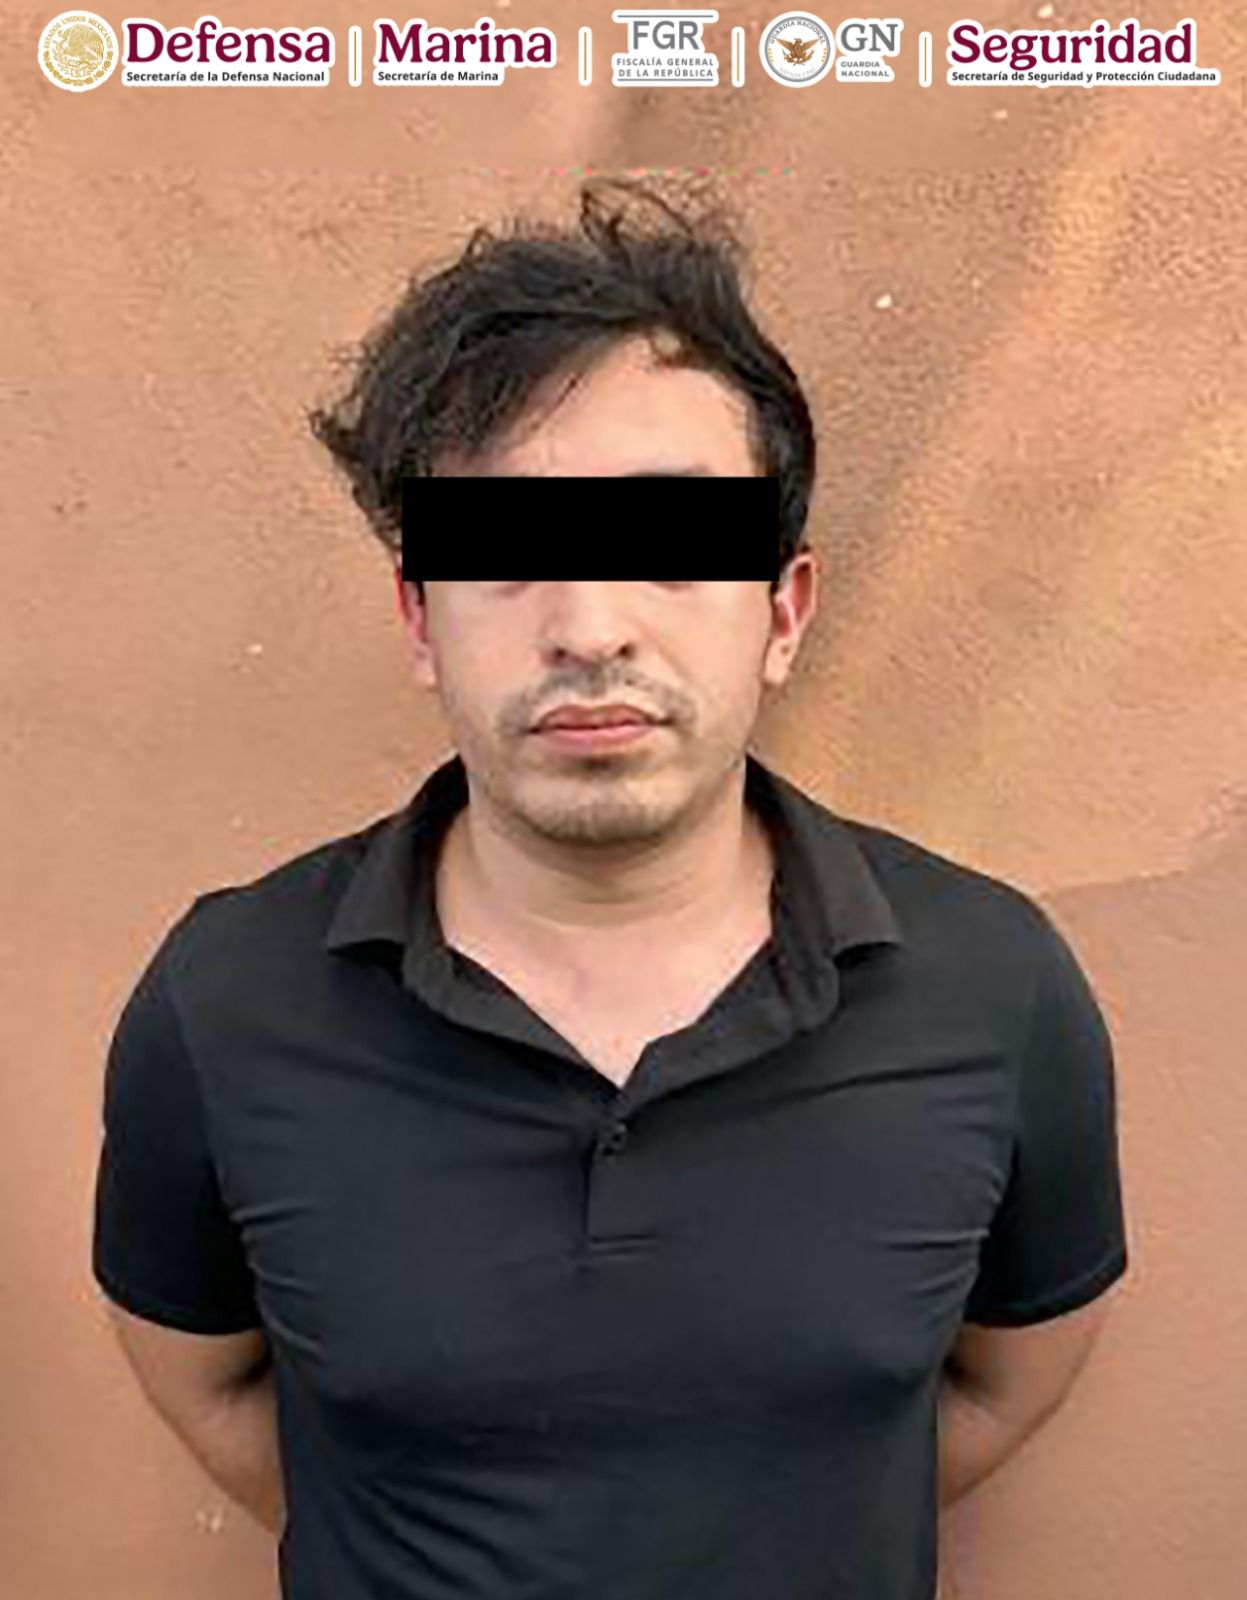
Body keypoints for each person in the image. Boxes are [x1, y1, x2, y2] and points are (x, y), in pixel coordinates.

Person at [91, 178, 1129, 1600]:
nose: (589, 627)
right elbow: (211, 1390)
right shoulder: (225, 998)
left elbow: (1004, 1385)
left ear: (783, 611)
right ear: (421, 619)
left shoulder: (995, 987)